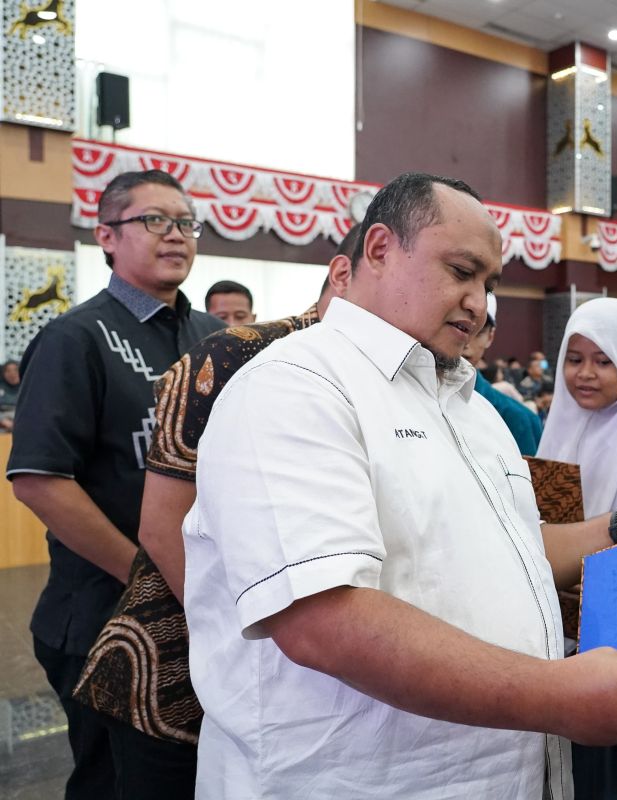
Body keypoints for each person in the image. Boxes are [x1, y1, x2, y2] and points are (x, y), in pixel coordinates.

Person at [182, 173, 617, 799]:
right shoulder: (296, 387)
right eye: (462, 271)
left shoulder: (470, 407)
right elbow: (319, 617)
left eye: (489, 284)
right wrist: (555, 695)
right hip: (359, 782)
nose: (479, 302)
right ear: (380, 249)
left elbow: (514, 556)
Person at [71, 229, 357, 798]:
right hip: (174, 670)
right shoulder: (237, 353)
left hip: (292, 680)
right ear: (346, 275)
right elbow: (162, 526)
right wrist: (261, 640)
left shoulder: (378, 372)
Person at [6, 170, 224, 799]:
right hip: (106, 618)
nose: (176, 235)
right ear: (106, 235)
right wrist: (147, 574)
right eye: (154, 220)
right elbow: (40, 480)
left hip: (196, 611)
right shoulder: (76, 338)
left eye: (185, 223)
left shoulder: (211, 336)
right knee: (117, 785)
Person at [537, 297, 617, 799]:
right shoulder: (554, 435)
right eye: (575, 358)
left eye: (604, 360)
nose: (585, 374)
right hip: (551, 645)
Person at [464, 294, 543, 455]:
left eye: (476, 331)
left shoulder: (517, 419)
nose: (465, 340)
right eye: (455, 326)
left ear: (490, 336)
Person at [0, 359, 20, 430]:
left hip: (22, 424)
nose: (12, 374)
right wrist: (2, 420)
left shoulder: (27, 388)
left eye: (15, 370)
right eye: (8, 371)